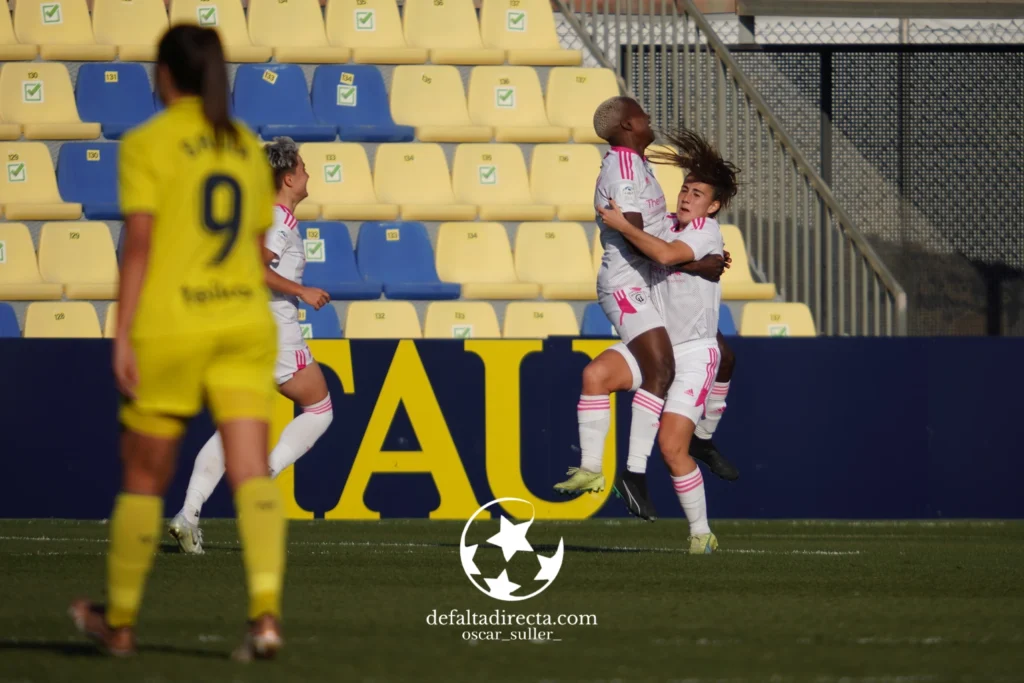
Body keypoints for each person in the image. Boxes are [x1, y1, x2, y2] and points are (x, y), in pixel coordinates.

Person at [69, 26, 285, 659]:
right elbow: (251, 248)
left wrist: (122, 334)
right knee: (251, 471)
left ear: (165, 75)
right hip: (244, 321)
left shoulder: (147, 144)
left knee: (144, 475)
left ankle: (122, 621)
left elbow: (139, 245)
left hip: (176, 324)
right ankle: (266, 616)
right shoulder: (244, 144)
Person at [168, 137, 334, 555]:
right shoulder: (279, 220)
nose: (309, 173)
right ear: (289, 177)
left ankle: (188, 516)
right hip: (273, 333)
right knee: (319, 408)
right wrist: (303, 290)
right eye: (304, 167)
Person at [597, 128, 740, 553]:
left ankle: (701, 533)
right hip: (656, 343)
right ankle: (602, 468)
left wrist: (622, 224)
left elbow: (662, 255)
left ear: (712, 206)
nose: (686, 196)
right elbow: (653, 244)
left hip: (693, 353)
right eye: (685, 188)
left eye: (697, 193)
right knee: (596, 374)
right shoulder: (665, 225)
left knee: (672, 447)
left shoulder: (703, 231)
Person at [553, 96, 677, 517]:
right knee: (661, 369)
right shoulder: (622, 166)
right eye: (642, 114)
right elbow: (632, 230)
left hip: (650, 283)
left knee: (606, 373)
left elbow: (649, 223)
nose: (649, 118)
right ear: (627, 125)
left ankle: (591, 465)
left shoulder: (639, 165)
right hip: (628, 284)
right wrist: (686, 256)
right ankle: (633, 473)